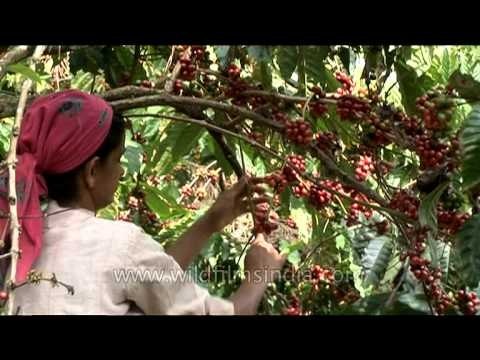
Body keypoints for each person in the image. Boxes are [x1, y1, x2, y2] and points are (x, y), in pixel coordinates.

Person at [0, 90, 285, 315]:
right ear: (92, 171)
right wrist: (259, 275)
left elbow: (145, 284)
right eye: (118, 159)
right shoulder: (119, 243)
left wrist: (210, 222)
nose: (122, 171)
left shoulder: (18, 242)